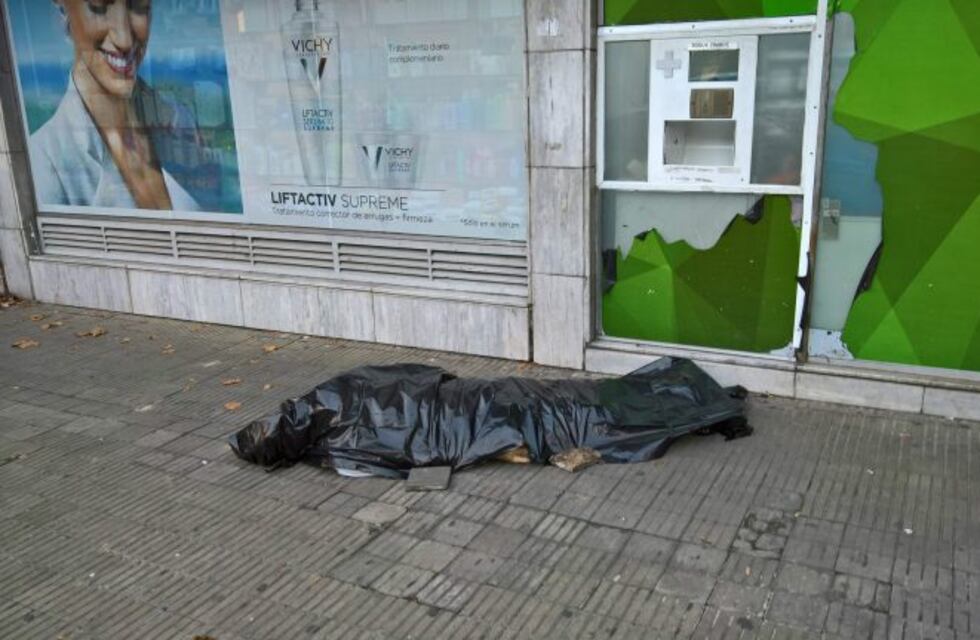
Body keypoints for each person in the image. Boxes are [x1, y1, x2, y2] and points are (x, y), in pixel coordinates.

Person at [29, 0, 200, 211]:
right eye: (99, 7)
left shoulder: (179, 120)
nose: (125, 39)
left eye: (138, 6)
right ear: (64, 9)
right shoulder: (43, 166)